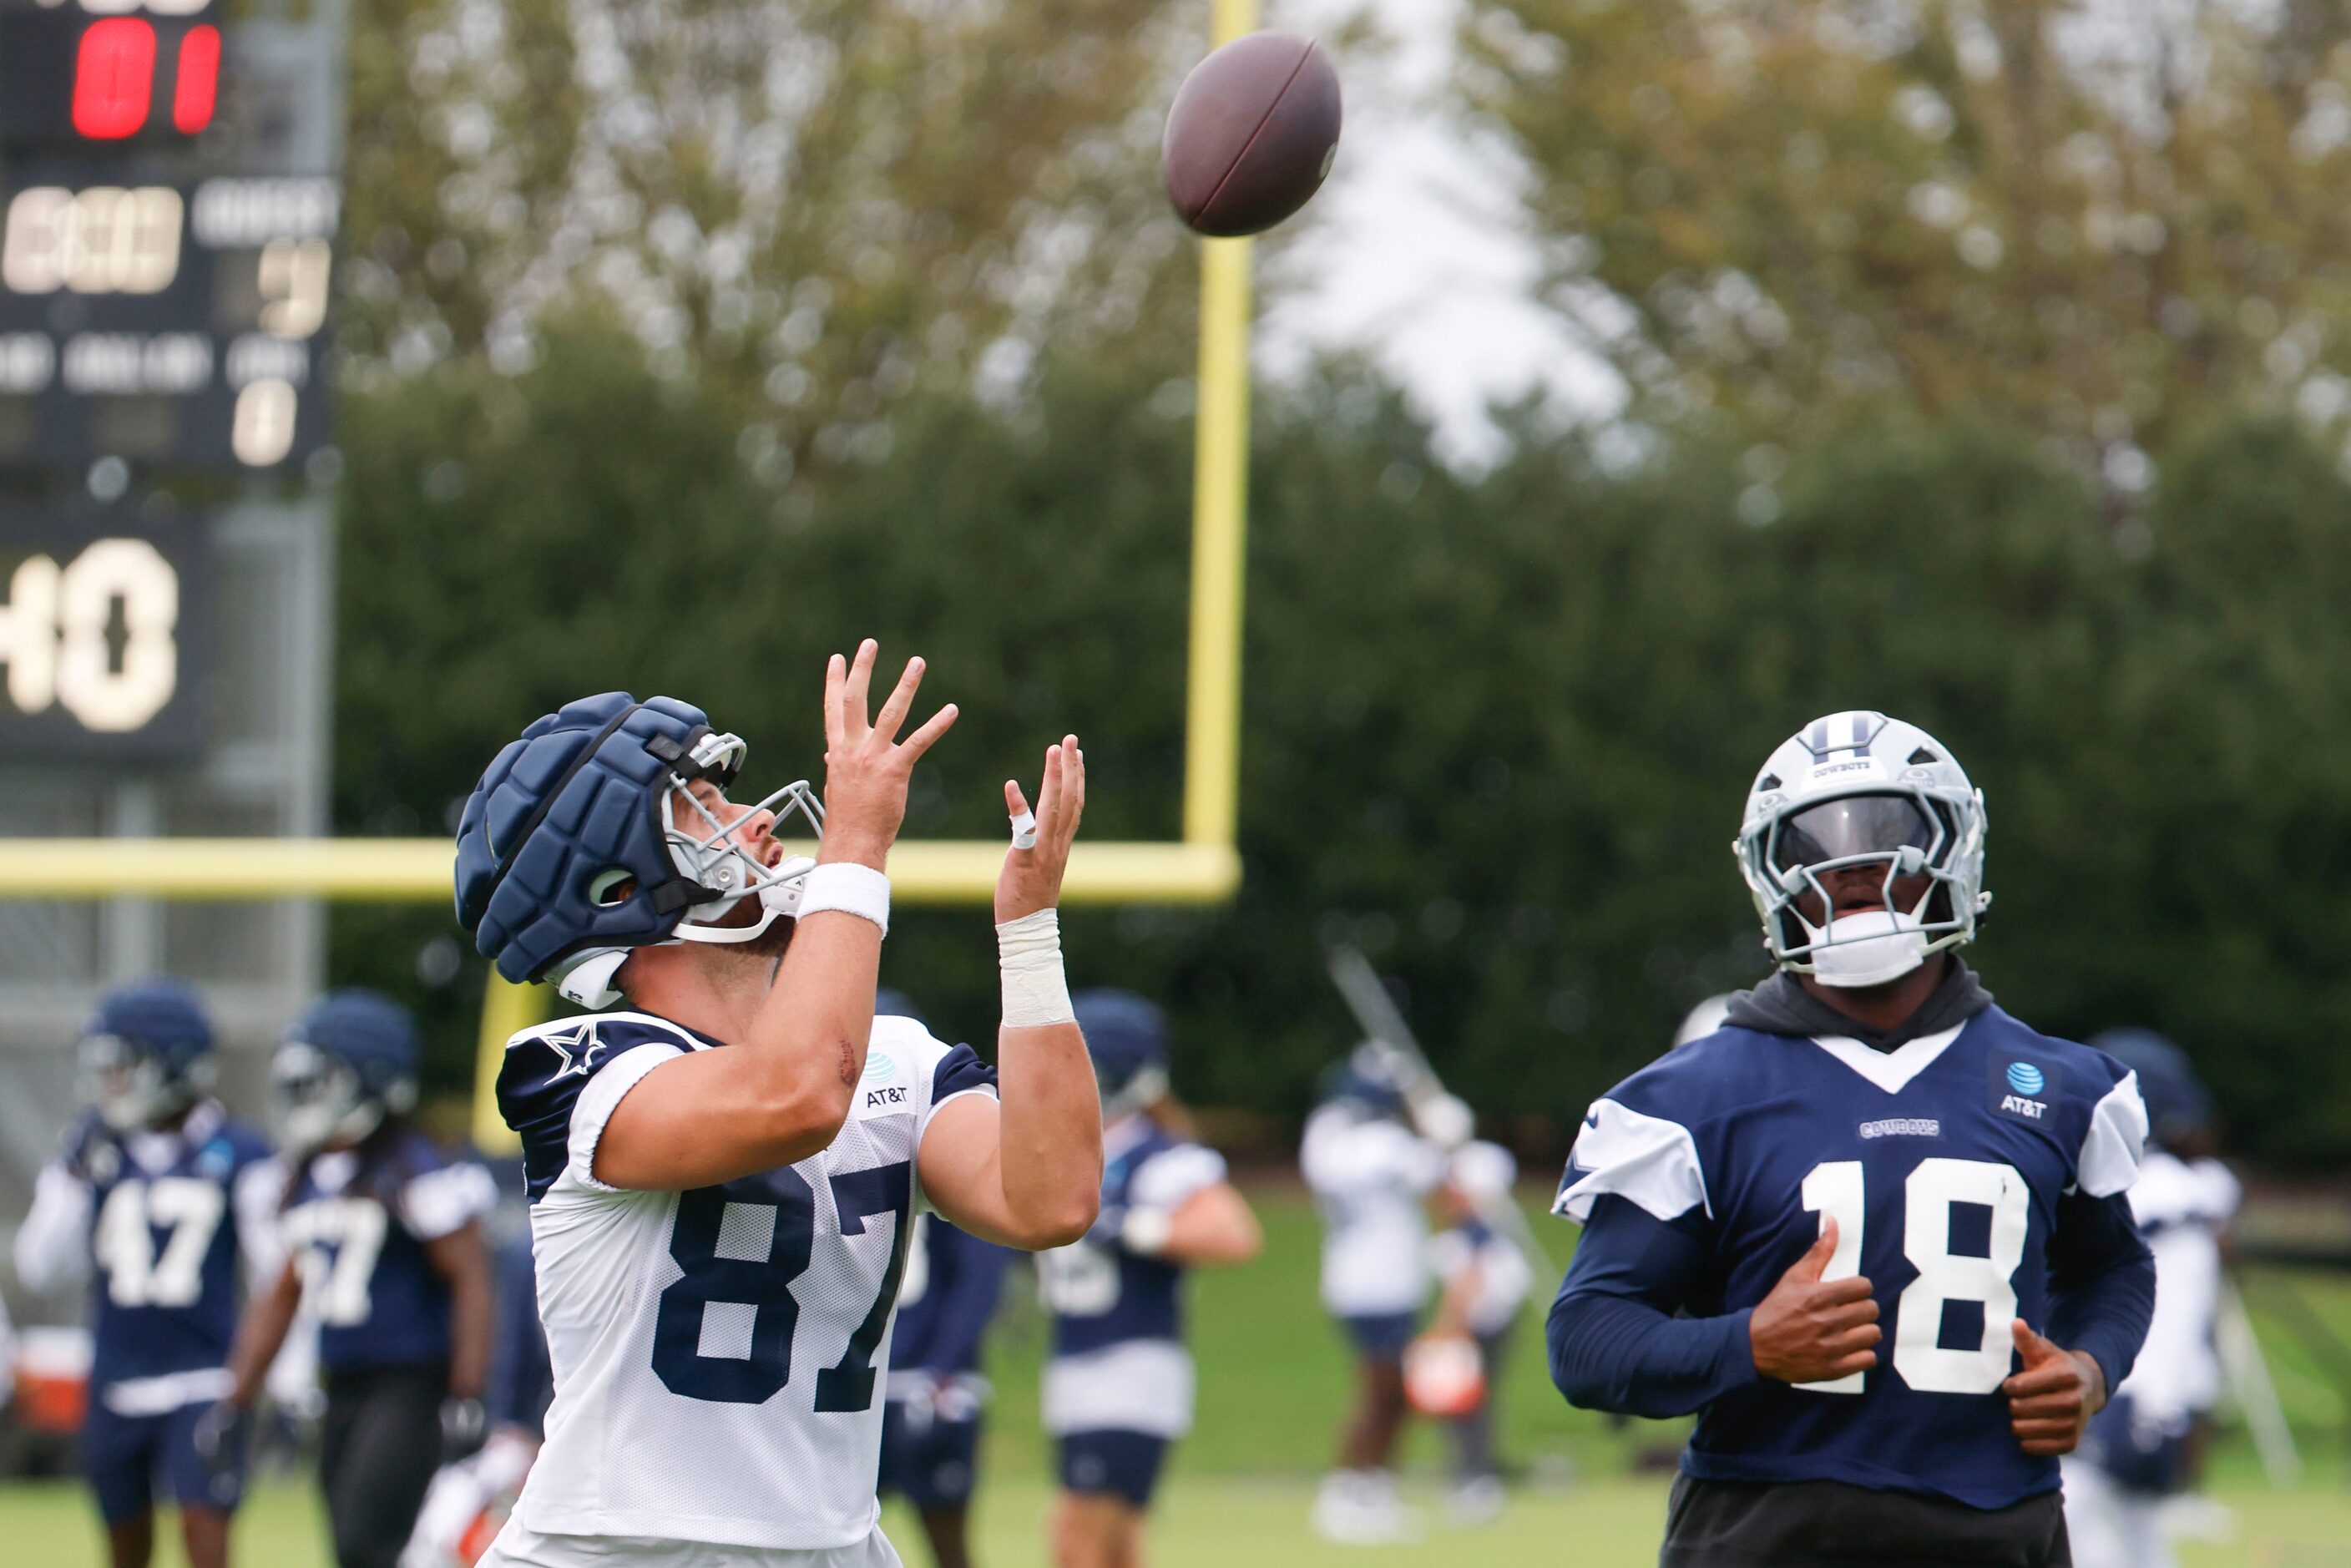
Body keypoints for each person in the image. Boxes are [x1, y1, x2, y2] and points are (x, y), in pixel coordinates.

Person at [453, 646, 1104, 1568]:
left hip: (830, 1547)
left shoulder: (893, 1060)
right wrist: (857, 847)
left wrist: (1029, 931)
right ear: (618, 886)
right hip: (615, 1550)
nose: (752, 819)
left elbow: (1051, 1200)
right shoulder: (576, 1069)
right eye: (701, 803)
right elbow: (798, 1094)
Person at [1549, 710, 2156, 1568]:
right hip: (1768, 1532)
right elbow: (1585, 1342)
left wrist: (2090, 1369)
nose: (1853, 867)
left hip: (1998, 1529)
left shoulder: (2053, 1084)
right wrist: (1747, 1343)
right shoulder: (1691, 1099)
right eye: (1814, 844)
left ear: (1953, 851)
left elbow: (2111, 1266)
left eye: (1886, 836)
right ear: (1770, 875)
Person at [203, 989, 499, 1568]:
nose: (303, 1099)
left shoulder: (412, 1168)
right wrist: (236, 1395)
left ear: (370, 1079)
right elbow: (281, 1294)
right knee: (347, 1543)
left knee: (371, 1539)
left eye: (319, 1081)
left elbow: (471, 1281)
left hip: (408, 1384)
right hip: (339, 1381)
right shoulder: (309, 1175)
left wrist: (469, 1389)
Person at [13, 979, 279, 1568]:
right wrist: (76, 1177)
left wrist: (271, 1377)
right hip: (116, 1375)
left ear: (174, 1066)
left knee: (205, 1540)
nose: (110, 1083)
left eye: (123, 1066)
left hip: (205, 1378)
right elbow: (38, 1265)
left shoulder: (239, 1151)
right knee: (123, 1546)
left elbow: (275, 1273)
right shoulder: (93, 1148)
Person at [1038, 989, 1261, 1568]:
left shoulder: (1158, 1156)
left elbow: (1234, 1235)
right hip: (1074, 1362)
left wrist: (1130, 1229)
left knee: (1076, 1539)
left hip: (1130, 1364)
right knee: (1117, 1548)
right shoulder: (1076, 1151)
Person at [2062, 1030, 2240, 1568]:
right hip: (2158, 1392)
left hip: (2134, 1388)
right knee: (2138, 1531)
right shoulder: (2190, 1187)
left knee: (2075, 1515)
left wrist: (2154, 1401)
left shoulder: (2157, 1186)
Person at [874, 989, 1015, 1568]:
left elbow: (980, 1273)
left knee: (947, 1538)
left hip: (921, 1368)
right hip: (845, 1376)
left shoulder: (943, 1140)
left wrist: (947, 1364)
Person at [1300, 1041, 1449, 1545]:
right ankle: (1348, 1493)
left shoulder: (1328, 1134)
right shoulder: (1378, 1144)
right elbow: (1436, 1172)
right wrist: (1441, 1130)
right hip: (1372, 1284)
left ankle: (1373, 1489)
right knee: (1381, 1393)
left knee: (1393, 1395)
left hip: (1378, 1282)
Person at [1424, 1140, 1534, 1525]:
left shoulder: (1474, 1226)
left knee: (1465, 1405)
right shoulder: (1488, 1223)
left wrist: (1446, 1330)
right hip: (1495, 1319)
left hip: (1480, 1323)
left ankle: (1474, 1480)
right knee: (1475, 1404)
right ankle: (1475, 1476)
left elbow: (1467, 1283)